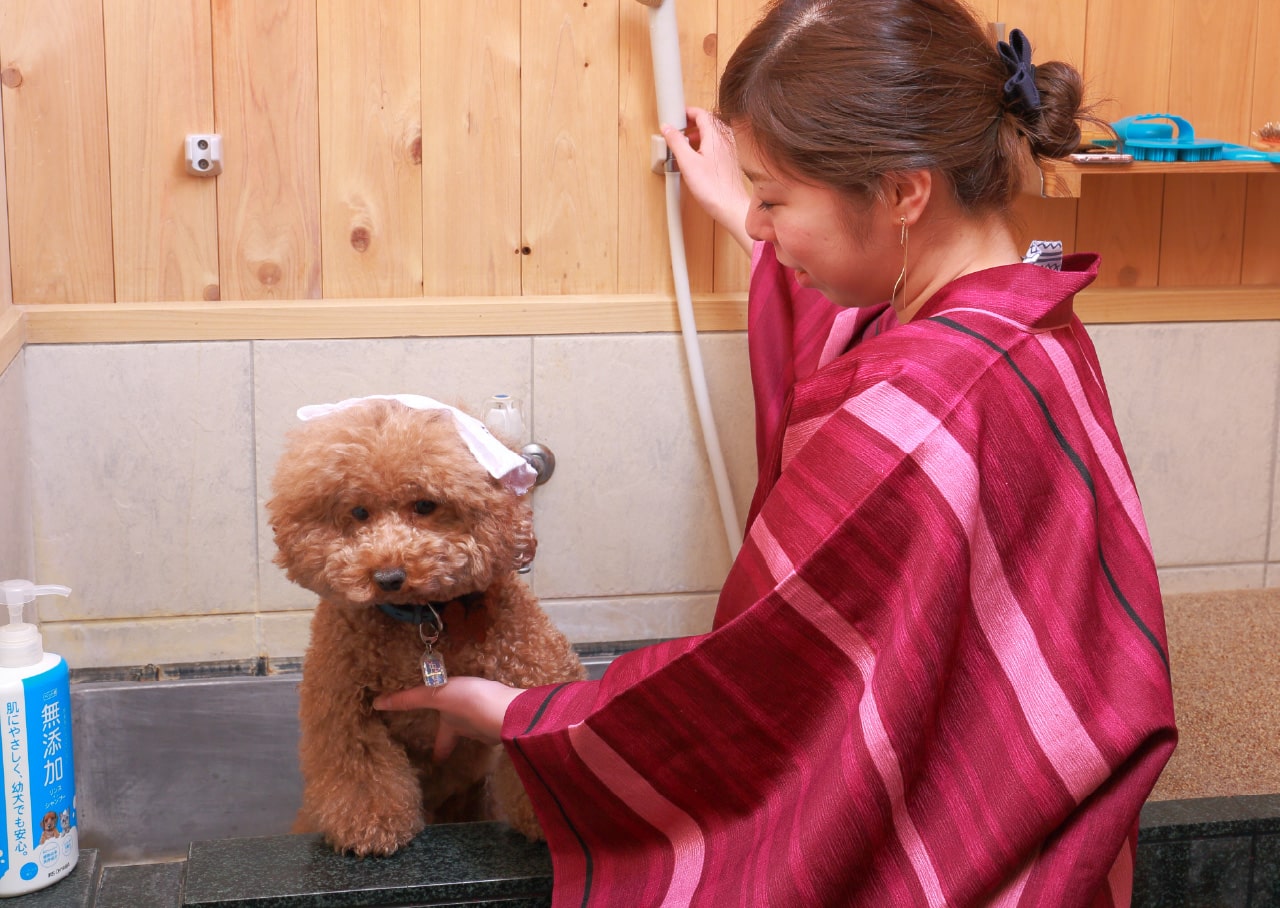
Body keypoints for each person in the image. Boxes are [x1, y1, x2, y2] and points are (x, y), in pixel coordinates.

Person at [375, 1, 1178, 904]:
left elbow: (768, 687)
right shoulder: (1025, 317)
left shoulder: (921, 409)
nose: (758, 228)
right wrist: (740, 198)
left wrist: (527, 716)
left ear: (903, 193)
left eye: (775, 199)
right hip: (1035, 820)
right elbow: (850, 311)